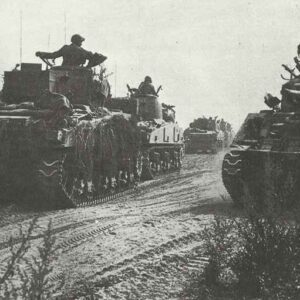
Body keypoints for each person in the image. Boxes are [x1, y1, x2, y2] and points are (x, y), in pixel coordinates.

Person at [35, 34, 106, 67]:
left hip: (62, 71)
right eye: (81, 42)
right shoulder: (82, 51)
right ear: (78, 41)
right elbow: (96, 58)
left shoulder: (65, 48)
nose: (81, 44)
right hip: (77, 73)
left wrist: (41, 53)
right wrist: (88, 66)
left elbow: (53, 55)